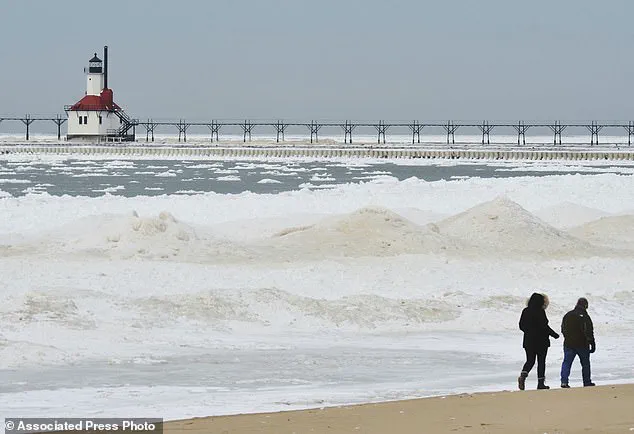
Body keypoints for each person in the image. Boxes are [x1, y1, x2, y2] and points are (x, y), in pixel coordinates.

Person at [518, 293, 559, 390]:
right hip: (541, 341)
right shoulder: (540, 311)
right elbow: (544, 326)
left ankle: (523, 376)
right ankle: (540, 384)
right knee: (541, 362)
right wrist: (554, 335)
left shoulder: (525, 311)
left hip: (528, 341)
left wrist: (529, 331)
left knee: (530, 360)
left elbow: (521, 326)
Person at [560, 297, 596, 388]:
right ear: (585, 305)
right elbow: (589, 331)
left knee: (567, 363)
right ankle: (587, 382)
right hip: (582, 344)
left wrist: (567, 337)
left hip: (569, 343)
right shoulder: (585, 316)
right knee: (585, 364)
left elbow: (563, 329)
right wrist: (592, 342)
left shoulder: (568, 315)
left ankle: (564, 382)